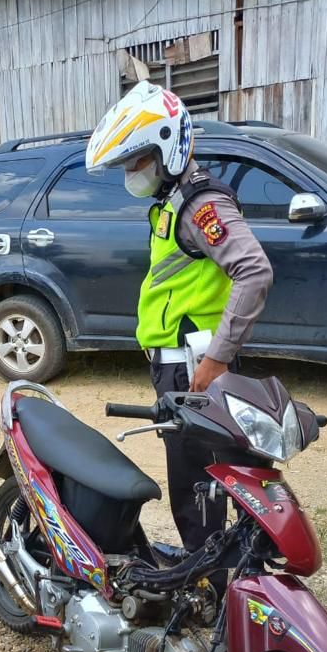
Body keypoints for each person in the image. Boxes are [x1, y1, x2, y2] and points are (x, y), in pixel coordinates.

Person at [86, 80, 273, 562]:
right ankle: (222, 574)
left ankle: (214, 587)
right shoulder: (172, 203)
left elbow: (253, 271)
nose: (131, 173)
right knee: (205, 481)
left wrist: (214, 361)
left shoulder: (200, 205)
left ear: (167, 148)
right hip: (181, 367)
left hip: (196, 371)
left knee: (199, 488)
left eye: (136, 161)